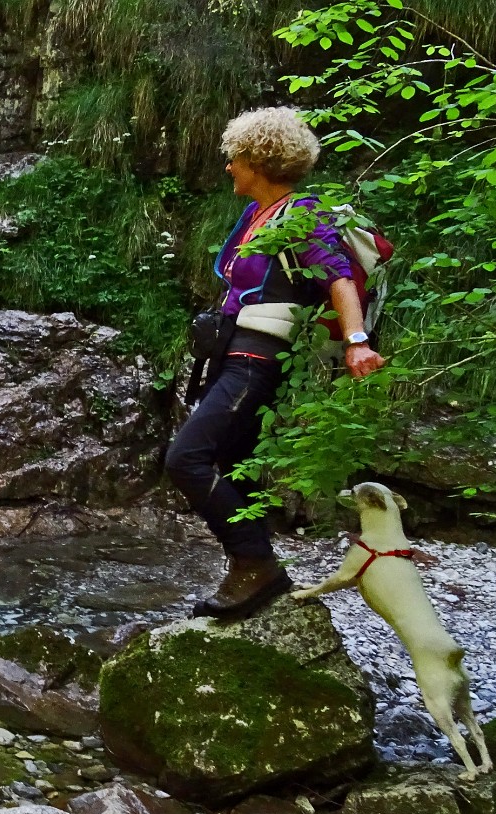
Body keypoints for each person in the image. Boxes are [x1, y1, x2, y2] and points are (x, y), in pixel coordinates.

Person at [166, 106, 386, 619]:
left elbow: (338, 279)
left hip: (257, 360)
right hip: (231, 353)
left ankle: (255, 563)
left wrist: (356, 340)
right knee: (231, 465)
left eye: (235, 158)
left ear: (258, 160)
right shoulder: (255, 215)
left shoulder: (300, 213)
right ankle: (251, 577)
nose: (229, 168)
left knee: (186, 458)